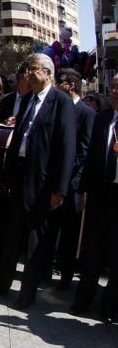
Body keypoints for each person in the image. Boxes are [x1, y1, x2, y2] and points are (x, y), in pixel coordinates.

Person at [0, 53, 75, 308]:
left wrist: (60, 189)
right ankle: (2, 283)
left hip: (43, 181)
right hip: (19, 177)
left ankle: (27, 292)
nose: (27, 75)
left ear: (47, 72)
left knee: (35, 240)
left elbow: (67, 148)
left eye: (32, 70)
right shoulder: (27, 100)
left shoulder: (61, 103)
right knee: (11, 234)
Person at [70, 74, 118, 322]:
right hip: (99, 194)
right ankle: (83, 299)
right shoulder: (103, 118)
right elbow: (90, 156)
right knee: (91, 251)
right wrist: (82, 190)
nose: (114, 92)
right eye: (114, 88)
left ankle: (110, 306)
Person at [49, 68, 94, 290]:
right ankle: (44, 270)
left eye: (61, 83)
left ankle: (65, 276)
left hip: (72, 184)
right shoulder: (55, 109)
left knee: (68, 233)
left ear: (71, 86)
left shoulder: (86, 113)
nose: (57, 86)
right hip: (51, 180)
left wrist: (65, 172)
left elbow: (84, 151)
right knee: (49, 229)